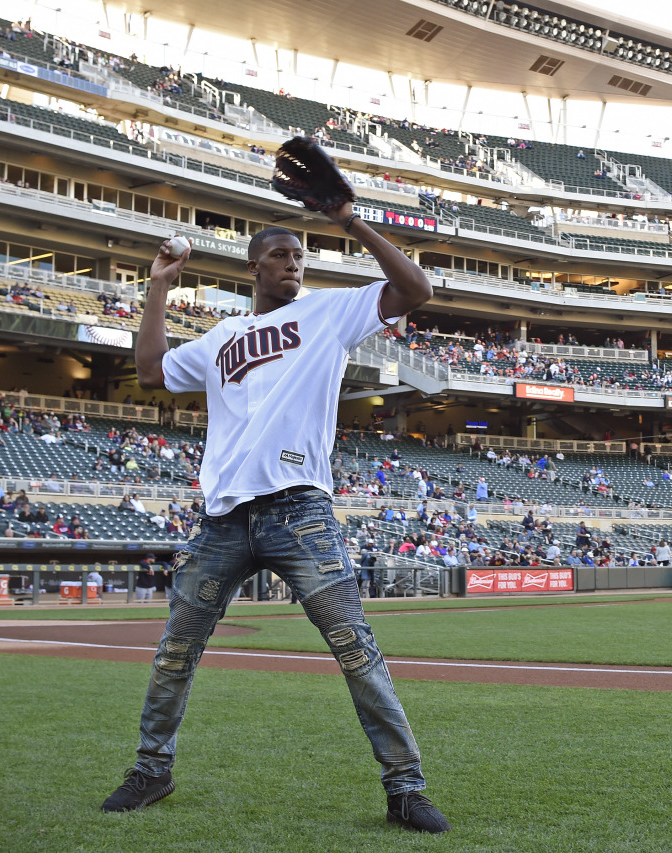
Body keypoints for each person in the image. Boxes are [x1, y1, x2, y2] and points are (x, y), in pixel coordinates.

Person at [102, 203, 449, 833]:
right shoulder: (218, 338)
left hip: (300, 509)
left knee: (354, 646)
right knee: (175, 650)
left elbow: (415, 289)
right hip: (223, 518)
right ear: (254, 264)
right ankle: (152, 769)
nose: (295, 263)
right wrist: (158, 286)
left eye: (300, 255)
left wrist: (352, 224)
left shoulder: (325, 312)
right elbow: (150, 370)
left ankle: (405, 788)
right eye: (283, 254)